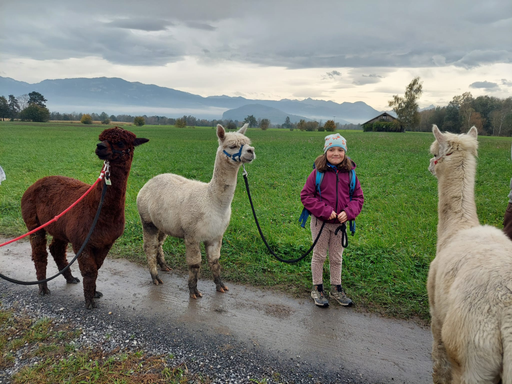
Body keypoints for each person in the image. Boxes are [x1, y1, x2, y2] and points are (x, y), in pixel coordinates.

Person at [300, 133, 364, 308]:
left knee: (336, 257)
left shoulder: (350, 174)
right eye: (332, 150)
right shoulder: (317, 173)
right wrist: (325, 211)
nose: (336, 153)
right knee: (319, 255)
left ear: (345, 152)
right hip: (320, 222)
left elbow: (358, 198)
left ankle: (336, 288)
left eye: (340, 150)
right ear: (325, 151)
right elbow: (306, 196)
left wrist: (349, 212)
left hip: (340, 225)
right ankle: (317, 288)